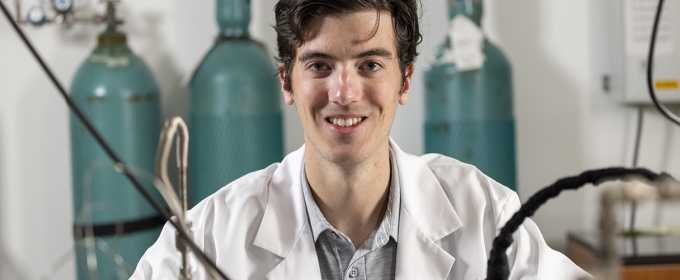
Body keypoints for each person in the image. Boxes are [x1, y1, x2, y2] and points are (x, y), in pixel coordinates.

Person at [132, 0, 590, 279]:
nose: (345, 93)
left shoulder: (484, 213)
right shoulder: (210, 235)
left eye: (370, 65)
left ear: (405, 81)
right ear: (286, 83)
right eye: (319, 66)